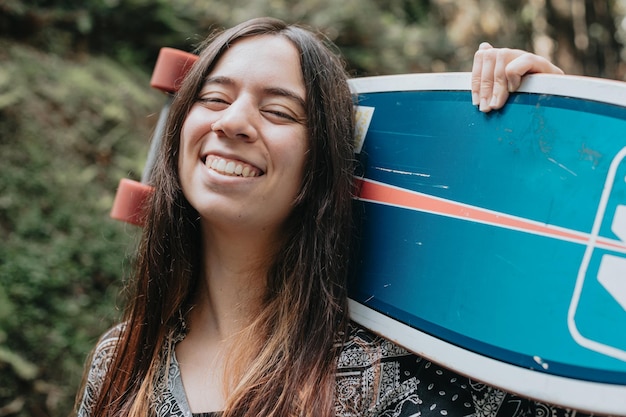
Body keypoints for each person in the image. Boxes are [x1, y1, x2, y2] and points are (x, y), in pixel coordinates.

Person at [74, 17, 568, 417]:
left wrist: (562, 152)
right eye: (214, 98)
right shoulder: (120, 361)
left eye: (280, 112)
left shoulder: (398, 377)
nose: (232, 122)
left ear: (322, 166)